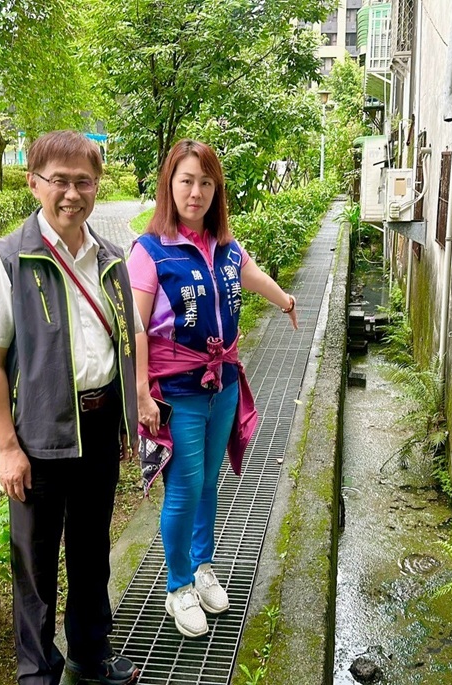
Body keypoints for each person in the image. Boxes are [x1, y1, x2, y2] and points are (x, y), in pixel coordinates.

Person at [0, 130, 141, 685]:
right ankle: (37, 675)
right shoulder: (7, 262)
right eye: (58, 181)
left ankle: (91, 657)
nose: (71, 193)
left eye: (82, 181)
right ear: (34, 184)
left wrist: (136, 411)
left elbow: (128, 338)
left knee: (91, 555)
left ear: (97, 184)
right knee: (36, 569)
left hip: (99, 429)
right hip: (38, 440)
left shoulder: (112, 258)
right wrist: (6, 448)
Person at [127, 139, 298, 638]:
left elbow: (250, 276)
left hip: (222, 382)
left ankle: (203, 568)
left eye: (205, 182)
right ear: (169, 186)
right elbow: (135, 327)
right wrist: (141, 393)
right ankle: (177, 586)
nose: (196, 192)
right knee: (181, 489)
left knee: (208, 482)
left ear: (216, 189)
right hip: (176, 390)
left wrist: (285, 299)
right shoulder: (150, 250)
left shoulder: (224, 245)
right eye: (186, 181)